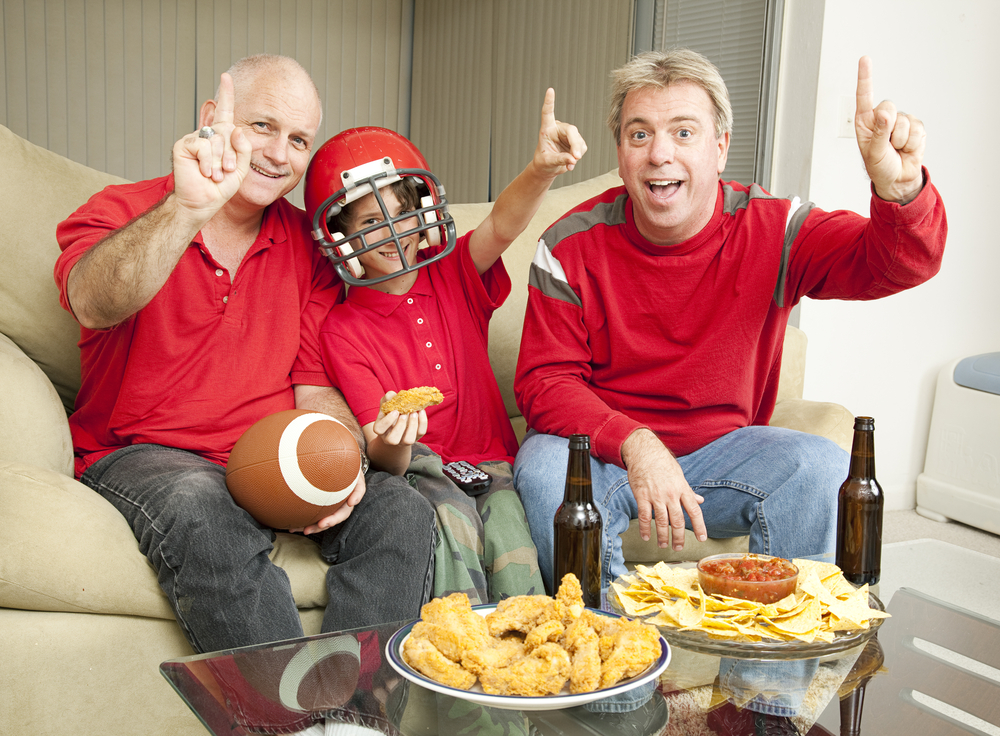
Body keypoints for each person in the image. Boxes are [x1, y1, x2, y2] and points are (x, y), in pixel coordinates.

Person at [513, 49, 946, 598]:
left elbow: (896, 264)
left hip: (722, 457)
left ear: (720, 148)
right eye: (639, 134)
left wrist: (898, 190)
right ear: (621, 154)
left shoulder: (775, 227)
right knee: (546, 470)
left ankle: (771, 674)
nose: (659, 154)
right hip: (608, 456)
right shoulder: (568, 245)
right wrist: (637, 444)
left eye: (684, 132)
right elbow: (545, 383)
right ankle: (617, 657)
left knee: (824, 468)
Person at [54, 54, 436, 658]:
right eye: (263, 126)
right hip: (147, 456)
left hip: (271, 457)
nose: (279, 153)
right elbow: (93, 304)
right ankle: (292, 724)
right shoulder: (121, 211)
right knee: (201, 508)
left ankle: (358, 721)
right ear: (213, 118)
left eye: (299, 139)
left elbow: (314, 389)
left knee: (401, 511)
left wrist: (342, 461)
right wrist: (189, 210)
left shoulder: (309, 252)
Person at [304, 89, 586, 606]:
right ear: (339, 239)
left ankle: (526, 662)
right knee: (454, 530)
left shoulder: (451, 270)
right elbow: (384, 454)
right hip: (425, 468)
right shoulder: (342, 329)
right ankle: (455, 665)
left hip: (495, 462)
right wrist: (396, 439)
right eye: (370, 223)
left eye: (402, 214)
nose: (395, 232)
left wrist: (541, 169)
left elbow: (504, 223)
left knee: (509, 532)